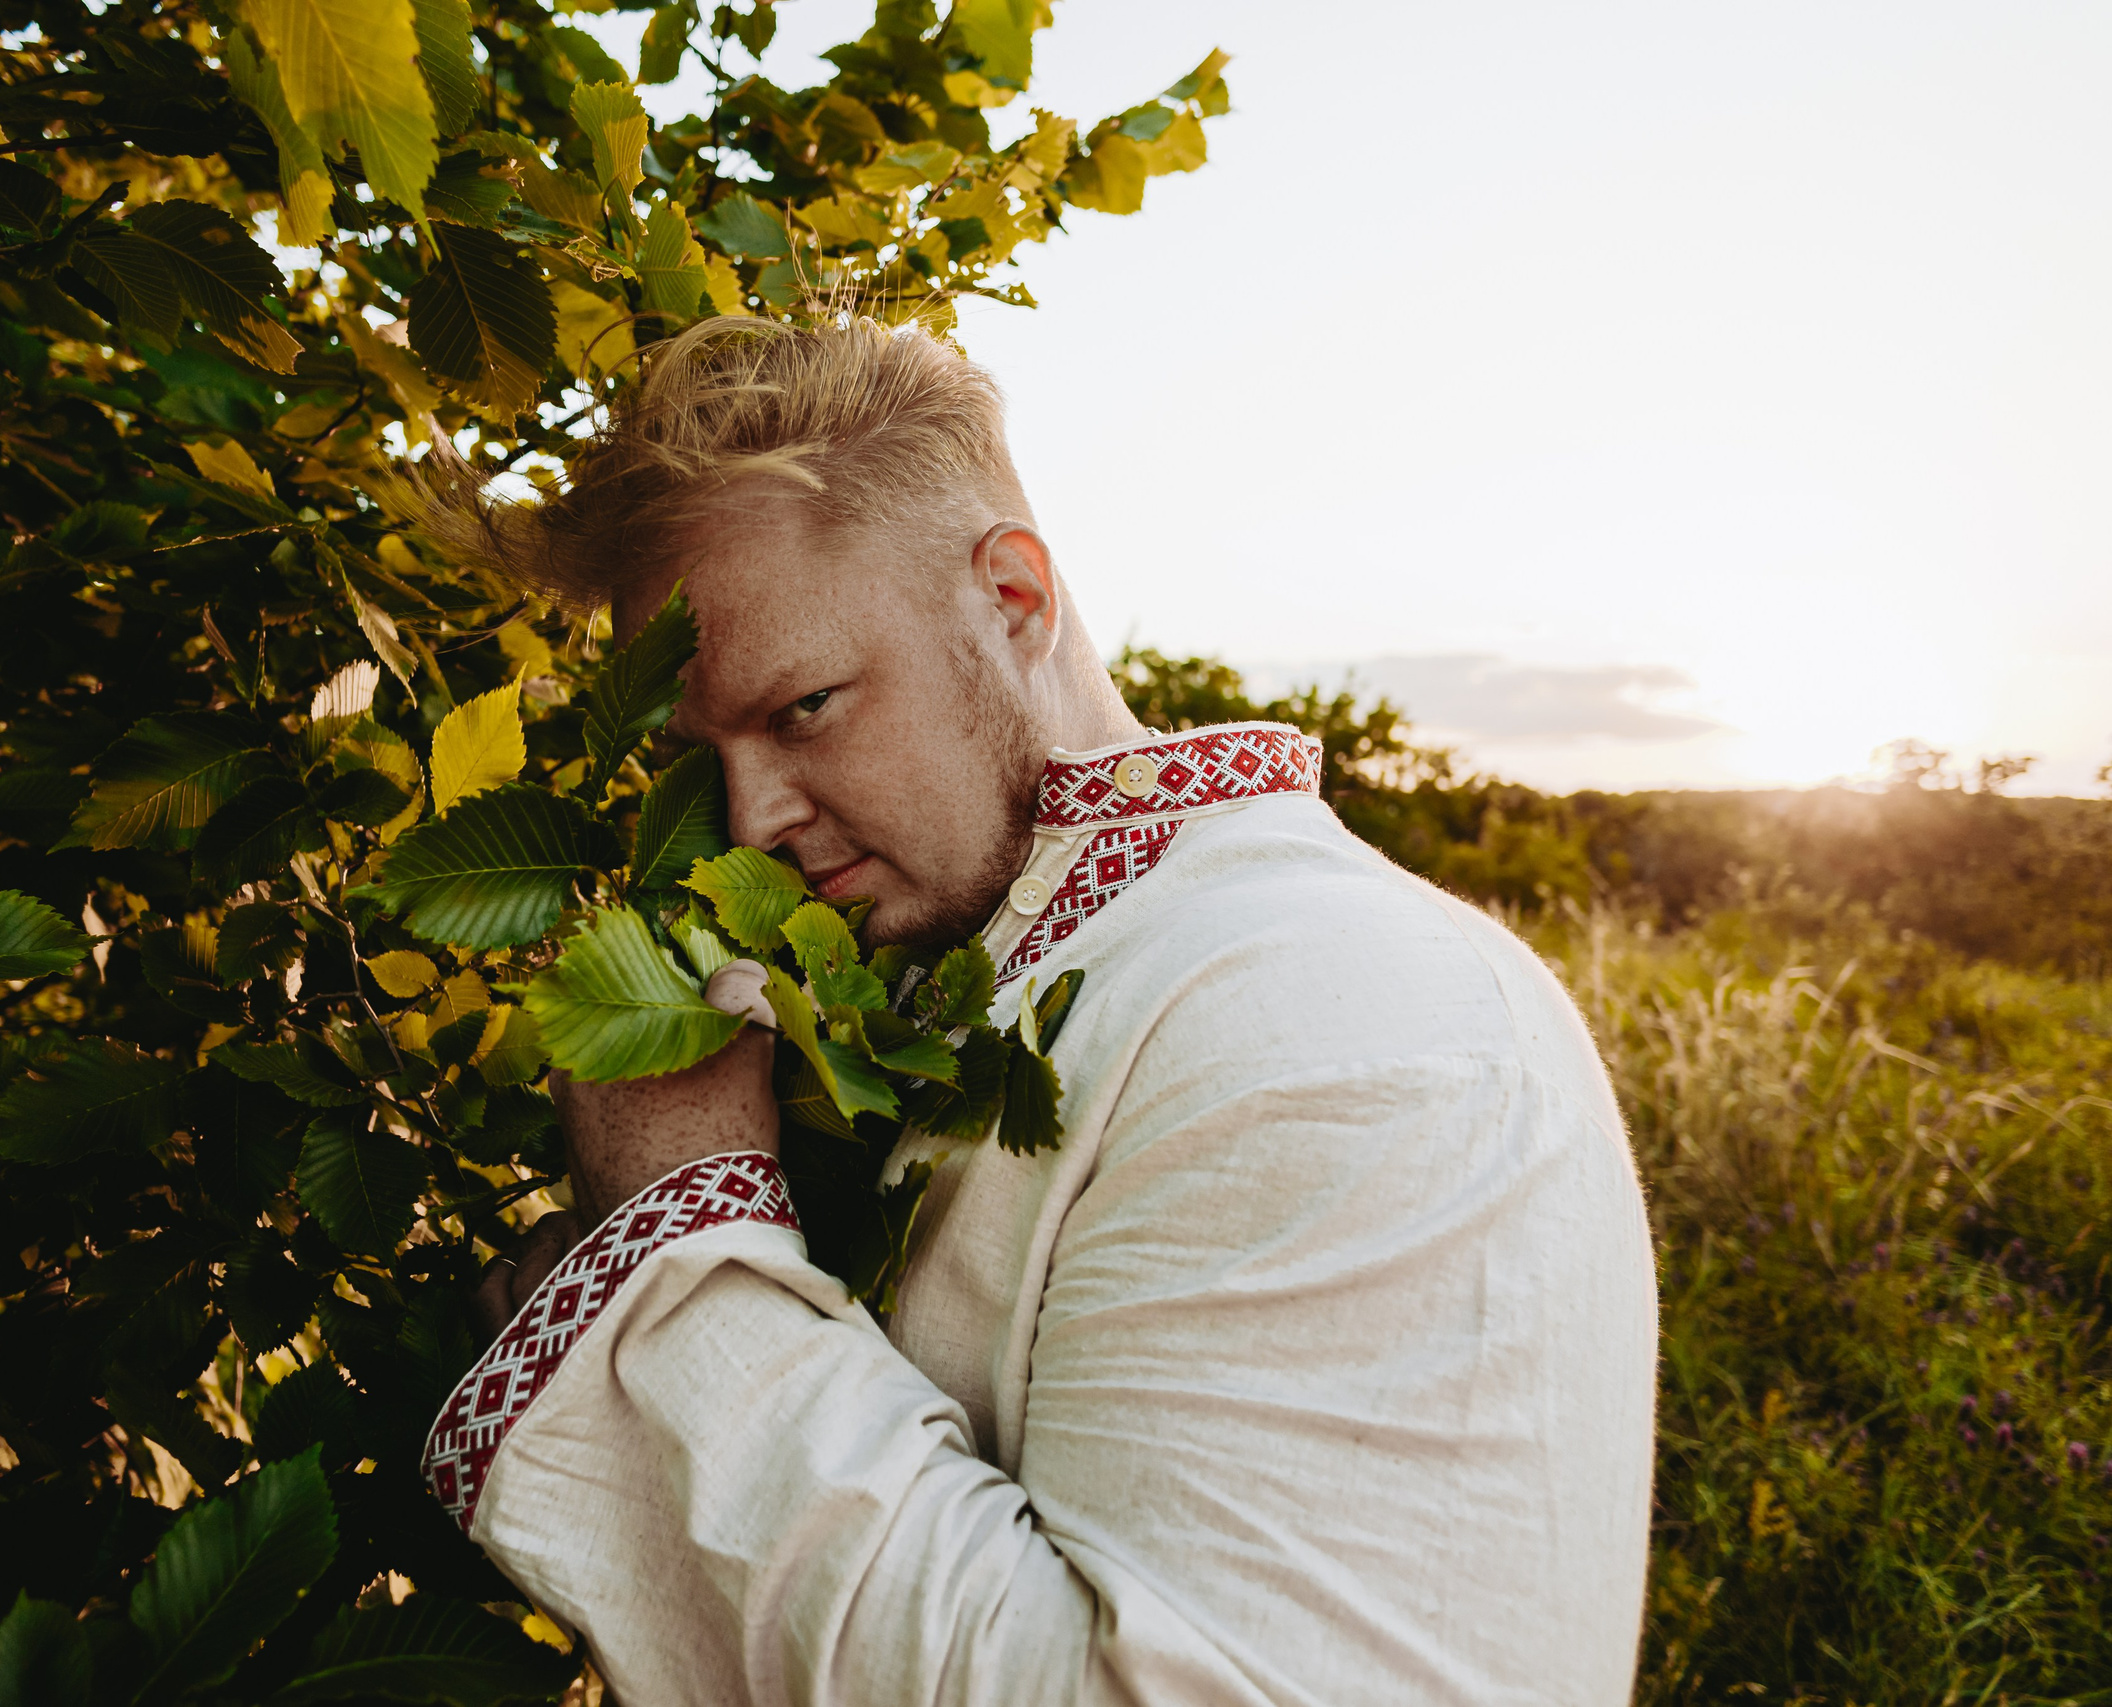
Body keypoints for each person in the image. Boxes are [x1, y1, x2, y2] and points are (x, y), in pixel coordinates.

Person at [417, 315, 1659, 1705]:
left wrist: (682, 1254)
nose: (750, 817)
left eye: (808, 706)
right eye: (704, 755)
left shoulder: (1356, 1012)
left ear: (1011, 597)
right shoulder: (991, 979)